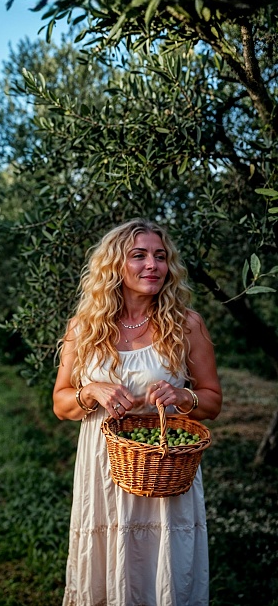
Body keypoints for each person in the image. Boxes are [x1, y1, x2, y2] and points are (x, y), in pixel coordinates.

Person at [52, 218, 223, 606]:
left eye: (160, 257)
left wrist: (183, 396)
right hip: (103, 466)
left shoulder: (186, 325)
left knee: (161, 568)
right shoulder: (84, 328)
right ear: (115, 265)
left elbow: (212, 400)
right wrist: (90, 391)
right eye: (139, 255)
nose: (153, 265)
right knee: (106, 566)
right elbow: (61, 404)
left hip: (163, 467)